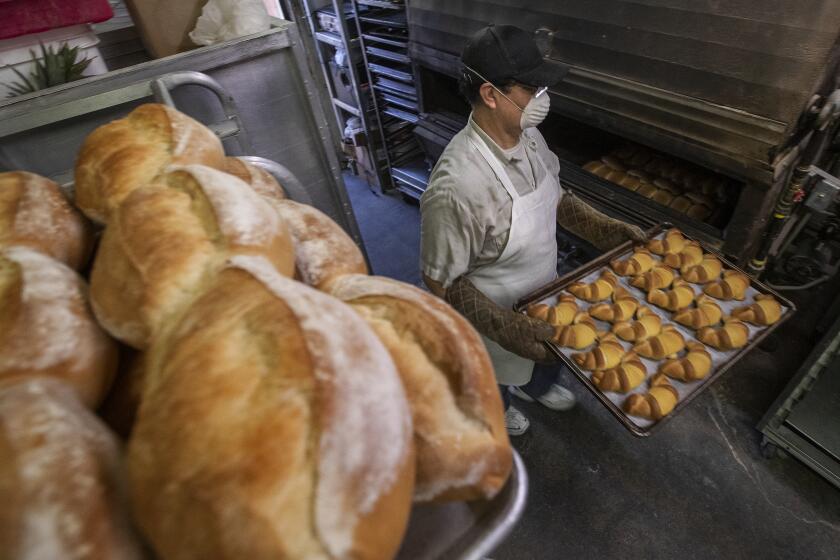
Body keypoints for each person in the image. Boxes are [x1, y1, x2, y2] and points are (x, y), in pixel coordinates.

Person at [420, 24, 645, 436]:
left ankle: (536, 388)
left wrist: (606, 229)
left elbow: (555, 198)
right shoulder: (458, 187)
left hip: (545, 289)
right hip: (494, 314)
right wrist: (504, 326)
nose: (543, 98)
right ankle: (500, 405)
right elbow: (440, 279)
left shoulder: (529, 135)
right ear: (491, 95)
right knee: (497, 373)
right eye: (533, 89)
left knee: (547, 357)